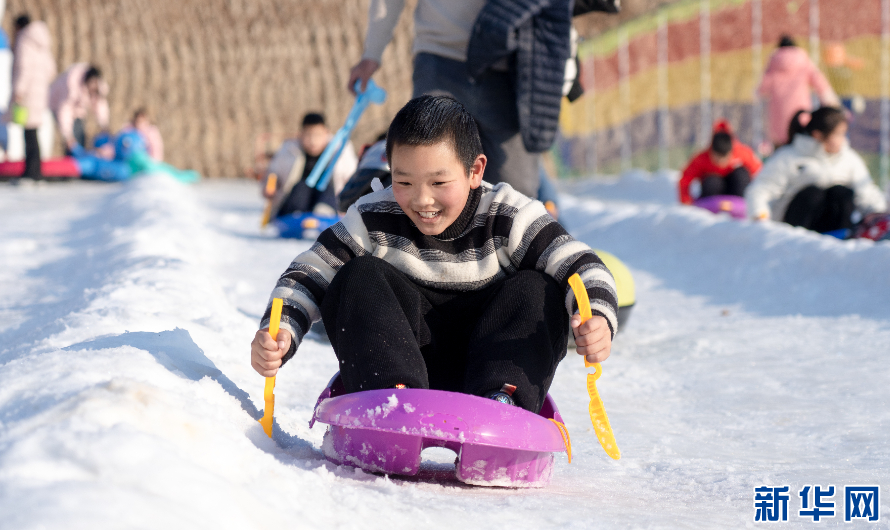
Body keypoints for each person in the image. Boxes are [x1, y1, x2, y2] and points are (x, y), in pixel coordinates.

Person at [250, 95, 618, 414]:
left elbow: (581, 264)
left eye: (439, 183)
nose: (422, 200)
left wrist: (597, 318)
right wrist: (279, 330)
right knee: (356, 276)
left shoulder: (508, 215)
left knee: (538, 288)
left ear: (475, 170)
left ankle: (501, 403)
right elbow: (310, 271)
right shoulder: (374, 215)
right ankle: (392, 400)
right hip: (398, 362)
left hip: (492, 362)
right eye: (404, 182)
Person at [347, 0, 575, 199]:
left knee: (515, 190)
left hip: (508, 65)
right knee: (428, 171)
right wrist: (371, 54)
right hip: (439, 55)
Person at [745, 107, 886, 232]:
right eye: (838, 134)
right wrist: (760, 216)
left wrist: (878, 213)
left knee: (841, 193)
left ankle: (842, 237)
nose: (842, 140)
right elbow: (761, 189)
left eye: (844, 134)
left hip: (834, 226)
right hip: (797, 225)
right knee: (813, 194)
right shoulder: (790, 156)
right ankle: (802, 240)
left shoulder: (848, 158)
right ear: (817, 135)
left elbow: (866, 190)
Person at [264, 113, 357, 218]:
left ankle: (324, 213)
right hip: (295, 201)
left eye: (317, 135)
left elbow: (353, 177)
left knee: (324, 186)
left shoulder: (340, 150)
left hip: (329, 201)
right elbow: (273, 173)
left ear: (326, 133)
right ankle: (295, 214)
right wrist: (270, 187)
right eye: (308, 135)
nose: (313, 141)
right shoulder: (289, 150)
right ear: (300, 134)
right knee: (303, 186)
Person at [757, 35, 839, 148]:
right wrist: (830, 100)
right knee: (802, 148)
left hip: (779, 118)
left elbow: (762, 90)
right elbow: (819, 81)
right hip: (801, 114)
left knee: (780, 153)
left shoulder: (773, 63)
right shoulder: (803, 60)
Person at [10, 13, 56, 181]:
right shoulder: (42, 43)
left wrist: (19, 90)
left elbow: (24, 68)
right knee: (33, 132)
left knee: (28, 133)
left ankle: (31, 172)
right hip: (40, 92)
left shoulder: (24, 40)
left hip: (29, 93)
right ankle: (36, 171)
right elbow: (51, 70)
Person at [678, 120, 762, 204]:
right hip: (713, 194)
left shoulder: (742, 153)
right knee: (712, 181)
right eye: (717, 159)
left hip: (735, 192)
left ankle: (741, 202)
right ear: (711, 152)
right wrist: (686, 199)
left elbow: (760, 173)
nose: (721, 163)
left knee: (741, 174)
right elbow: (685, 179)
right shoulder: (701, 159)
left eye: (725, 159)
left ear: (731, 152)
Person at [49, 62, 110, 154]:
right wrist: (68, 136)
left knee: (80, 135)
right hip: (54, 105)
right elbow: (65, 111)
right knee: (72, 141)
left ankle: (79, 158)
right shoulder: (70, 86)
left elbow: (100, 105)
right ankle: (70, 162)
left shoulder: (95, 88)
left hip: (77, 111)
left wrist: (104, 125)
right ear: (86, 81)